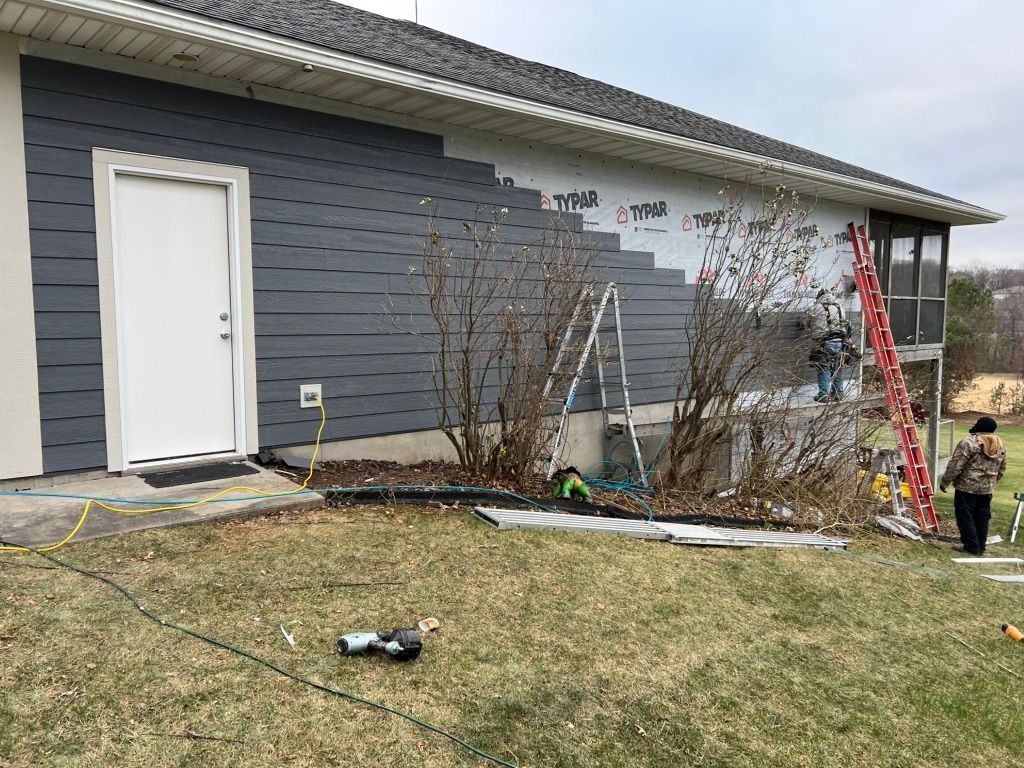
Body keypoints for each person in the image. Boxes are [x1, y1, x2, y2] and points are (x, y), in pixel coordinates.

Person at [939, 416, 1007, 555]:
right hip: (986, 490)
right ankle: (981, 546)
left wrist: (945, 482)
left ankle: (971, 546)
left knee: (965, 516)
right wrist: (991, 482)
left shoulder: (969, 442)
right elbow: (1002, 468)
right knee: (982, 516)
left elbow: (956, 465)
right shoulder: (1000, 444)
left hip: (966, 487)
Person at [807, 288, 849, 402]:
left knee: (823, 367)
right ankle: (838, 393)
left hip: (824, 342)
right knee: (837, 367)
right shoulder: (840, 307)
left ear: (819, 297)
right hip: (840, 341)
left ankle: (823, 395)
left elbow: (805, 322)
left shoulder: (815, 308)